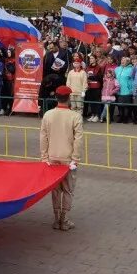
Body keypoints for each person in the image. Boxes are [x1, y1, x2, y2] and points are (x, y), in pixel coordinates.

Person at [39, 86, 83, 231]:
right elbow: (78, 139)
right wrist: (75, 158)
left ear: (56, 97)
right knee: (68, 190)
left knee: (56, 190)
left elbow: (43, 137)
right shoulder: (75, 116)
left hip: (52, 157)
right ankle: (65, 219)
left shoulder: (48, 114)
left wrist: (44, 156)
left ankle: (56, 218)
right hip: (68, 158)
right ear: (69, 98)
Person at [114, 57, 134, 123]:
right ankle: (121, 117)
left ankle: (126, 118)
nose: (122, 61)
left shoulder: (131, 69)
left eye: (124, 61)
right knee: (120, 105)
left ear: (128, 62)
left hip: (127, 90)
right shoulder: (117, 69)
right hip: (119, 90)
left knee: (126, 106)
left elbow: (133, 80)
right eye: (122, 60)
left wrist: (131, 89)